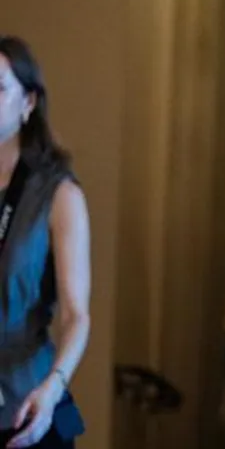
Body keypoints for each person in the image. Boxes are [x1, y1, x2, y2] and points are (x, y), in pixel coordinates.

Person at [0, 36, 90, 449]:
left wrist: (53, 387)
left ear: (28, 103)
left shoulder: (58, 195)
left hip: (25, 406)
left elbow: (76, 316)